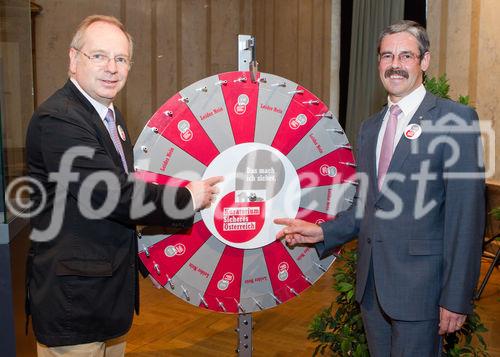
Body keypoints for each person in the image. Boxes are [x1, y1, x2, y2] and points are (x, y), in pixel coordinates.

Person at [275, 20, 485, 356]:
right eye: (387, 56)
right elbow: (366, 205)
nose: (395, 65)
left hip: (422, 291)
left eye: (406, 56)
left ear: (424, 61)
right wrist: (321, 231)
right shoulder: (371, 127)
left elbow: (467, 219)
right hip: (372, 290)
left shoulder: (455, 121)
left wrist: (456, 297)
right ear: (378, 64)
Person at [25, 15, 221, 356]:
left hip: (104, 297)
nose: (111, 68)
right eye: (98, 56)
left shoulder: (107, 116)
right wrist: (187, 198)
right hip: (75, 306)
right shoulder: (60, 118)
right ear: (73, 60)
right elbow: (111, 194)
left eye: (120, 59)